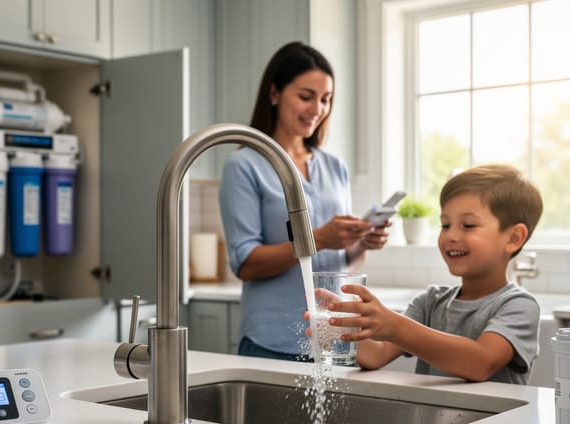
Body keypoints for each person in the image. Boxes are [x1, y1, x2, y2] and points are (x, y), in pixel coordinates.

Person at [219, 41, 389, 361]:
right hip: (272, 343)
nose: (317, 109)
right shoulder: (243, 166)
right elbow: (245, 264)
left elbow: (342, 263)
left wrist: (361, 243)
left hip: (334, 339)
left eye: (326, 99)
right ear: (274, 93)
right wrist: (319, 238)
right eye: (306, 96)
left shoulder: (335, 167)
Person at [316, 164, 543, 384]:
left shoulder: (519, 306)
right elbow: (377, 355)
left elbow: (481, 363)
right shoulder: (430, 303)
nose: (451, 235)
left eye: (468, 225)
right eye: (445, 225)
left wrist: (394, 325)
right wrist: (340, 325)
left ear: (514, 238)